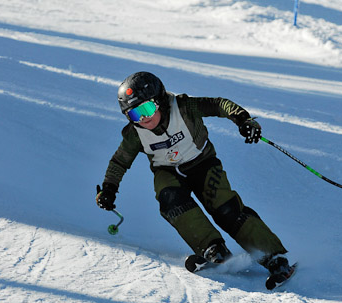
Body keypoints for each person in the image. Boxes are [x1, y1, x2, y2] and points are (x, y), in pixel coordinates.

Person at [96, 71, 293, 288]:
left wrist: (243, 119)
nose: (144, 118)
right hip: (167, 172)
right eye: (134, 114)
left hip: (202, 163)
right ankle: (213, 249)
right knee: (170, 200)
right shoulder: (135, 134)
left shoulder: (183, 107)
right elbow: (119, 162)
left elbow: (219, 104)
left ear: (160, 101)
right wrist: (109, 188)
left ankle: (273, 257)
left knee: (225, 209)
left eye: (146, 109)